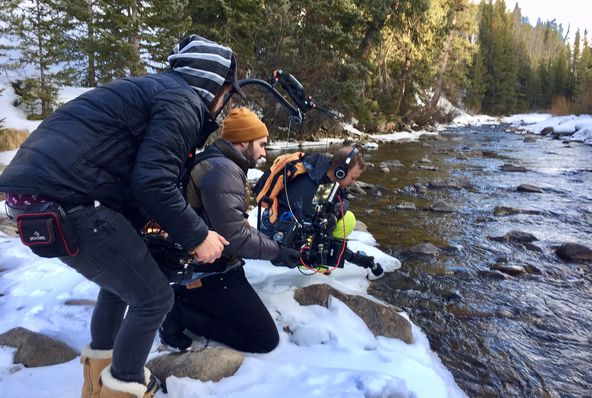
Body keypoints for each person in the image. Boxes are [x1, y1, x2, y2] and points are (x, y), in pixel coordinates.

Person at [0, 34, 244, 398]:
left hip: (31, 201)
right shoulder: (182, 100)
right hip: (68, 204)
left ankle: (97, 384)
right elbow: (153, 182)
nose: (224, 105)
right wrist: (198, 236)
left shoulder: (154, 89)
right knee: (154, 299)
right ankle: (124, 386)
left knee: (120, 286)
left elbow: (119, 167)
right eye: (227, 94)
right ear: (213, 85)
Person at [159, 107, 299, 353]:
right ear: (243, 140)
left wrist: (271, 245)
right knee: (265, 340)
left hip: (210, 263)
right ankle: (179, 312)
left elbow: (232, 225)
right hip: (210, 271)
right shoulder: (223, 171)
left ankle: (185, 299)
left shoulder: (219, 164)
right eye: (262, 144)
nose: (264, 152)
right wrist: (277, 252)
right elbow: (233, 238)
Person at [255, 146, 384, 278]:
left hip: (303, 222)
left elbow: (343, 198)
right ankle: (309, 261)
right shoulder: (308, 184)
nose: (354, 182)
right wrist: (351, 256)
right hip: (280, 230)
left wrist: (336, 212)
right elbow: (311, 228)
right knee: (320, 229)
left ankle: (321, 257)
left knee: (348, 219)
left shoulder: (328, 175)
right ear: (341, 172)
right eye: (352, 178)